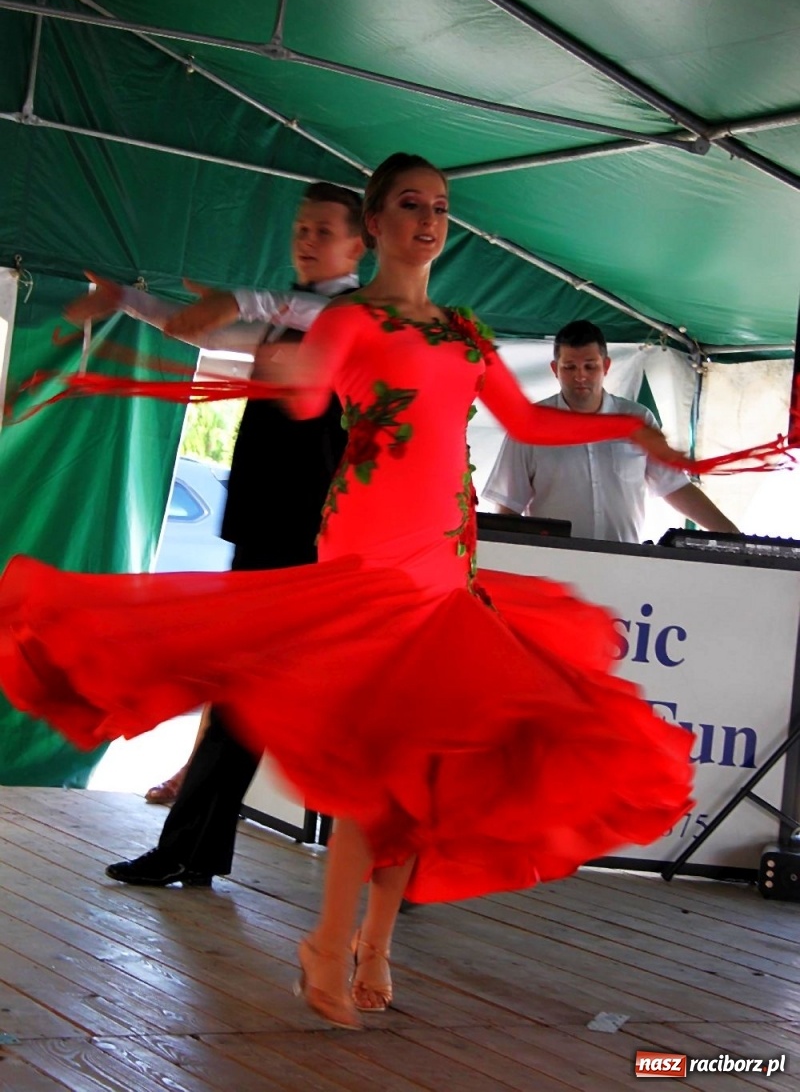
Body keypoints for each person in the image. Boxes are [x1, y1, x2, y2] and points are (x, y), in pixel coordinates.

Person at [0, 153, 695, 1031]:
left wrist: (633, 427)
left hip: (445, 556)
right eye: (410, 205)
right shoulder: (349, 318)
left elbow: (524, 421)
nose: (429, 221)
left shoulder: (464, 331)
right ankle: (332, 942)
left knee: (424, 757)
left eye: (440, 207)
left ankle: (372, 943)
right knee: (382, 755)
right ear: (375, 224)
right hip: (371, 549)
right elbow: (298, 393)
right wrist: (212, 334)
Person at [64, 180, 363, 872]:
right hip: (268, 525)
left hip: (311, 536)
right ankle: (194, 850)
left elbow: (309, 317)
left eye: (322, 231)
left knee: (302, 696)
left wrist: (242, 298)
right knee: (247, 694)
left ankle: (391, 856)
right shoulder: (289, 316)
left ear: (357, 247)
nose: (306, 240)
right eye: (301, 228)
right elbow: (200, 329)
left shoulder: (357, 317)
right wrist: (125, 298)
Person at [482, 319, 739, 541]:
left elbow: (674, 486)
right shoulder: (530, 426)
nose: (580, 376)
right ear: (555, 369)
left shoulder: (638, 419)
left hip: (623, 564)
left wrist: (733, 537)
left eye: (590, 366)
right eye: (569, 367)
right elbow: (508, 506)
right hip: (553, 565)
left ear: (606, 366)